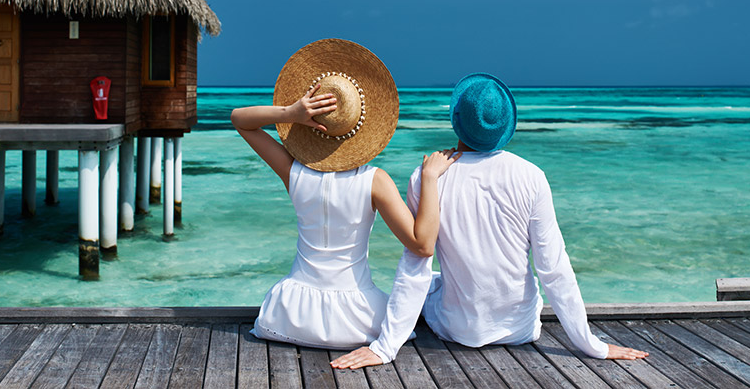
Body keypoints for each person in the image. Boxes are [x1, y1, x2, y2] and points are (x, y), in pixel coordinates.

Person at [332, 73, 648, 368]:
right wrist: (593, 345)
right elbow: (554, 269)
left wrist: (385, 347)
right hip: (522, 328)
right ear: (504, 124)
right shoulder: (532, 177)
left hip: (457, 330)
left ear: (456, 121)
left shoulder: (426, 177)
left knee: (431, 280)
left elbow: (414, 267)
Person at [231, 38, 459, 350]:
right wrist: (430, 179)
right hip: (357, 321)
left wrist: (290, 113)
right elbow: (422, 245)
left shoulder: (293, 172)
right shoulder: (374, 181)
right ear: (363, 126)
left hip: (287, 316)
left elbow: (240, 121)